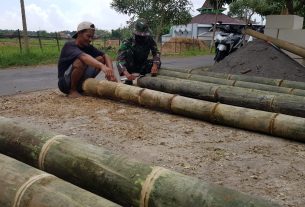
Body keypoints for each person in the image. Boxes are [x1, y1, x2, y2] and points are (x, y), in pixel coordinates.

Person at [58, 21, 117, 98]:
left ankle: (84, 85)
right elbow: (84, 57)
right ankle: (73, 91)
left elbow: (105, 55)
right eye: (88, 36)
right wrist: (102, 66)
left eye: (91, 37)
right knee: (80, 61)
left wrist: (110, 72)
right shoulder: (69, 45)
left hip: (81, 83)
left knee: (100, 58)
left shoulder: (88, 46)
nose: (90, 39)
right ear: (79, 33)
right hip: (65, 85)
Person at [116, 18, 161, 83]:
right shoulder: (128, 41)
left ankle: (146, 78)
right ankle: (129, 79)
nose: (142, 37)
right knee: (128, 52)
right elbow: (119, 60)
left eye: (144, 35)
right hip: (130, 68)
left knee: (157, 62)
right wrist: (126, 73)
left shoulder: (149, 39)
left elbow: (156, 52)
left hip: (143, 66)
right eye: (139, 35)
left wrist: (155, 65)